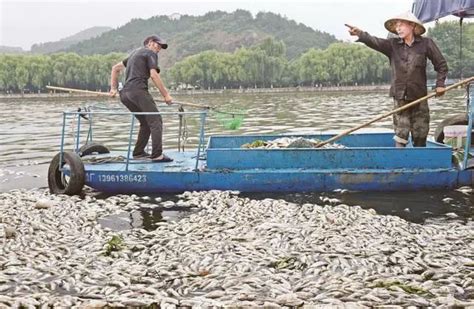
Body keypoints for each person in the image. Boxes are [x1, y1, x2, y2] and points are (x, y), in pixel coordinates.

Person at [345, 12, 448, 147]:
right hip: (400, 97)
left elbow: (441, 65)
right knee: (401, 133)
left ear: (411, 25)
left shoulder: (426, 43)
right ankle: (400, 164)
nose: (398, 28)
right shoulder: (392, 45)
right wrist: (360, 34)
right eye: (396, 26)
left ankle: (420, 162)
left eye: (401, 25)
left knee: (420, 133)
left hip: (419, 97)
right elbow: (375, 41)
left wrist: (440, 84)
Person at [109, 35, 174, 162]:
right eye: (157, 44)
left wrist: (113, 88)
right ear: (149, 43)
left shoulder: (134, 54)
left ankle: (138, 152)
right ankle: (157, 155)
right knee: (156, 121)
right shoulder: (150, 53)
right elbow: (154, 75)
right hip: (138, 92)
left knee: (145, 123)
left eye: (161, 47)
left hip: (125, 95)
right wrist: (166, 95)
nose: (159, 48)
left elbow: (115, 68)